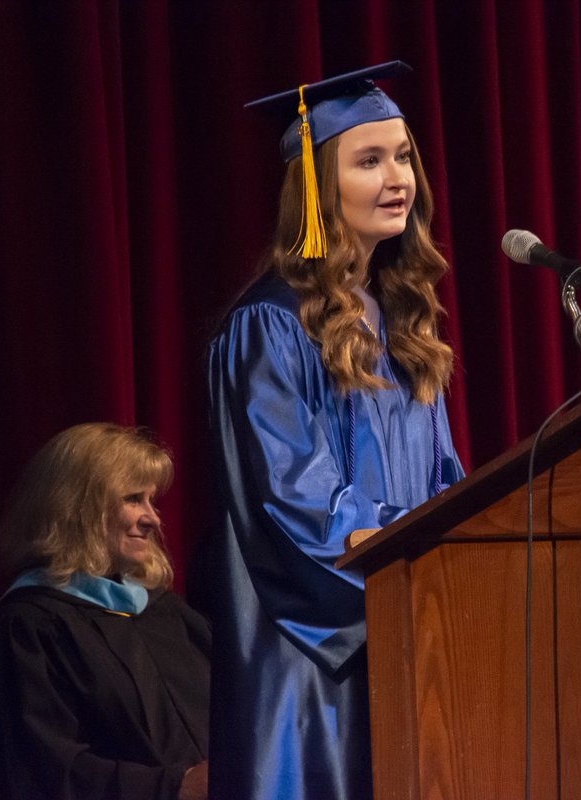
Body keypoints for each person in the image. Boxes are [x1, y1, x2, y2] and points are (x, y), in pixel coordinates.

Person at [199, 61, 464, 800]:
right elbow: (301, 511)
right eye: (369, 160)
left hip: (407, 632)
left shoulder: (404, 324)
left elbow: (447, 484)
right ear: (314, 187)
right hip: (313, 662)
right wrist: (420, 556)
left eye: (404, 156)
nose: (397, 178)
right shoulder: (268, 328)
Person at [0, 423, 211, 800]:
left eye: (152, 500)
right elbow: (38, 771)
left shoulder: (171, 616)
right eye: (133, 498)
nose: (153, 518)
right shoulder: (28, 630)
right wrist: (176, 787)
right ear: (77, 506)